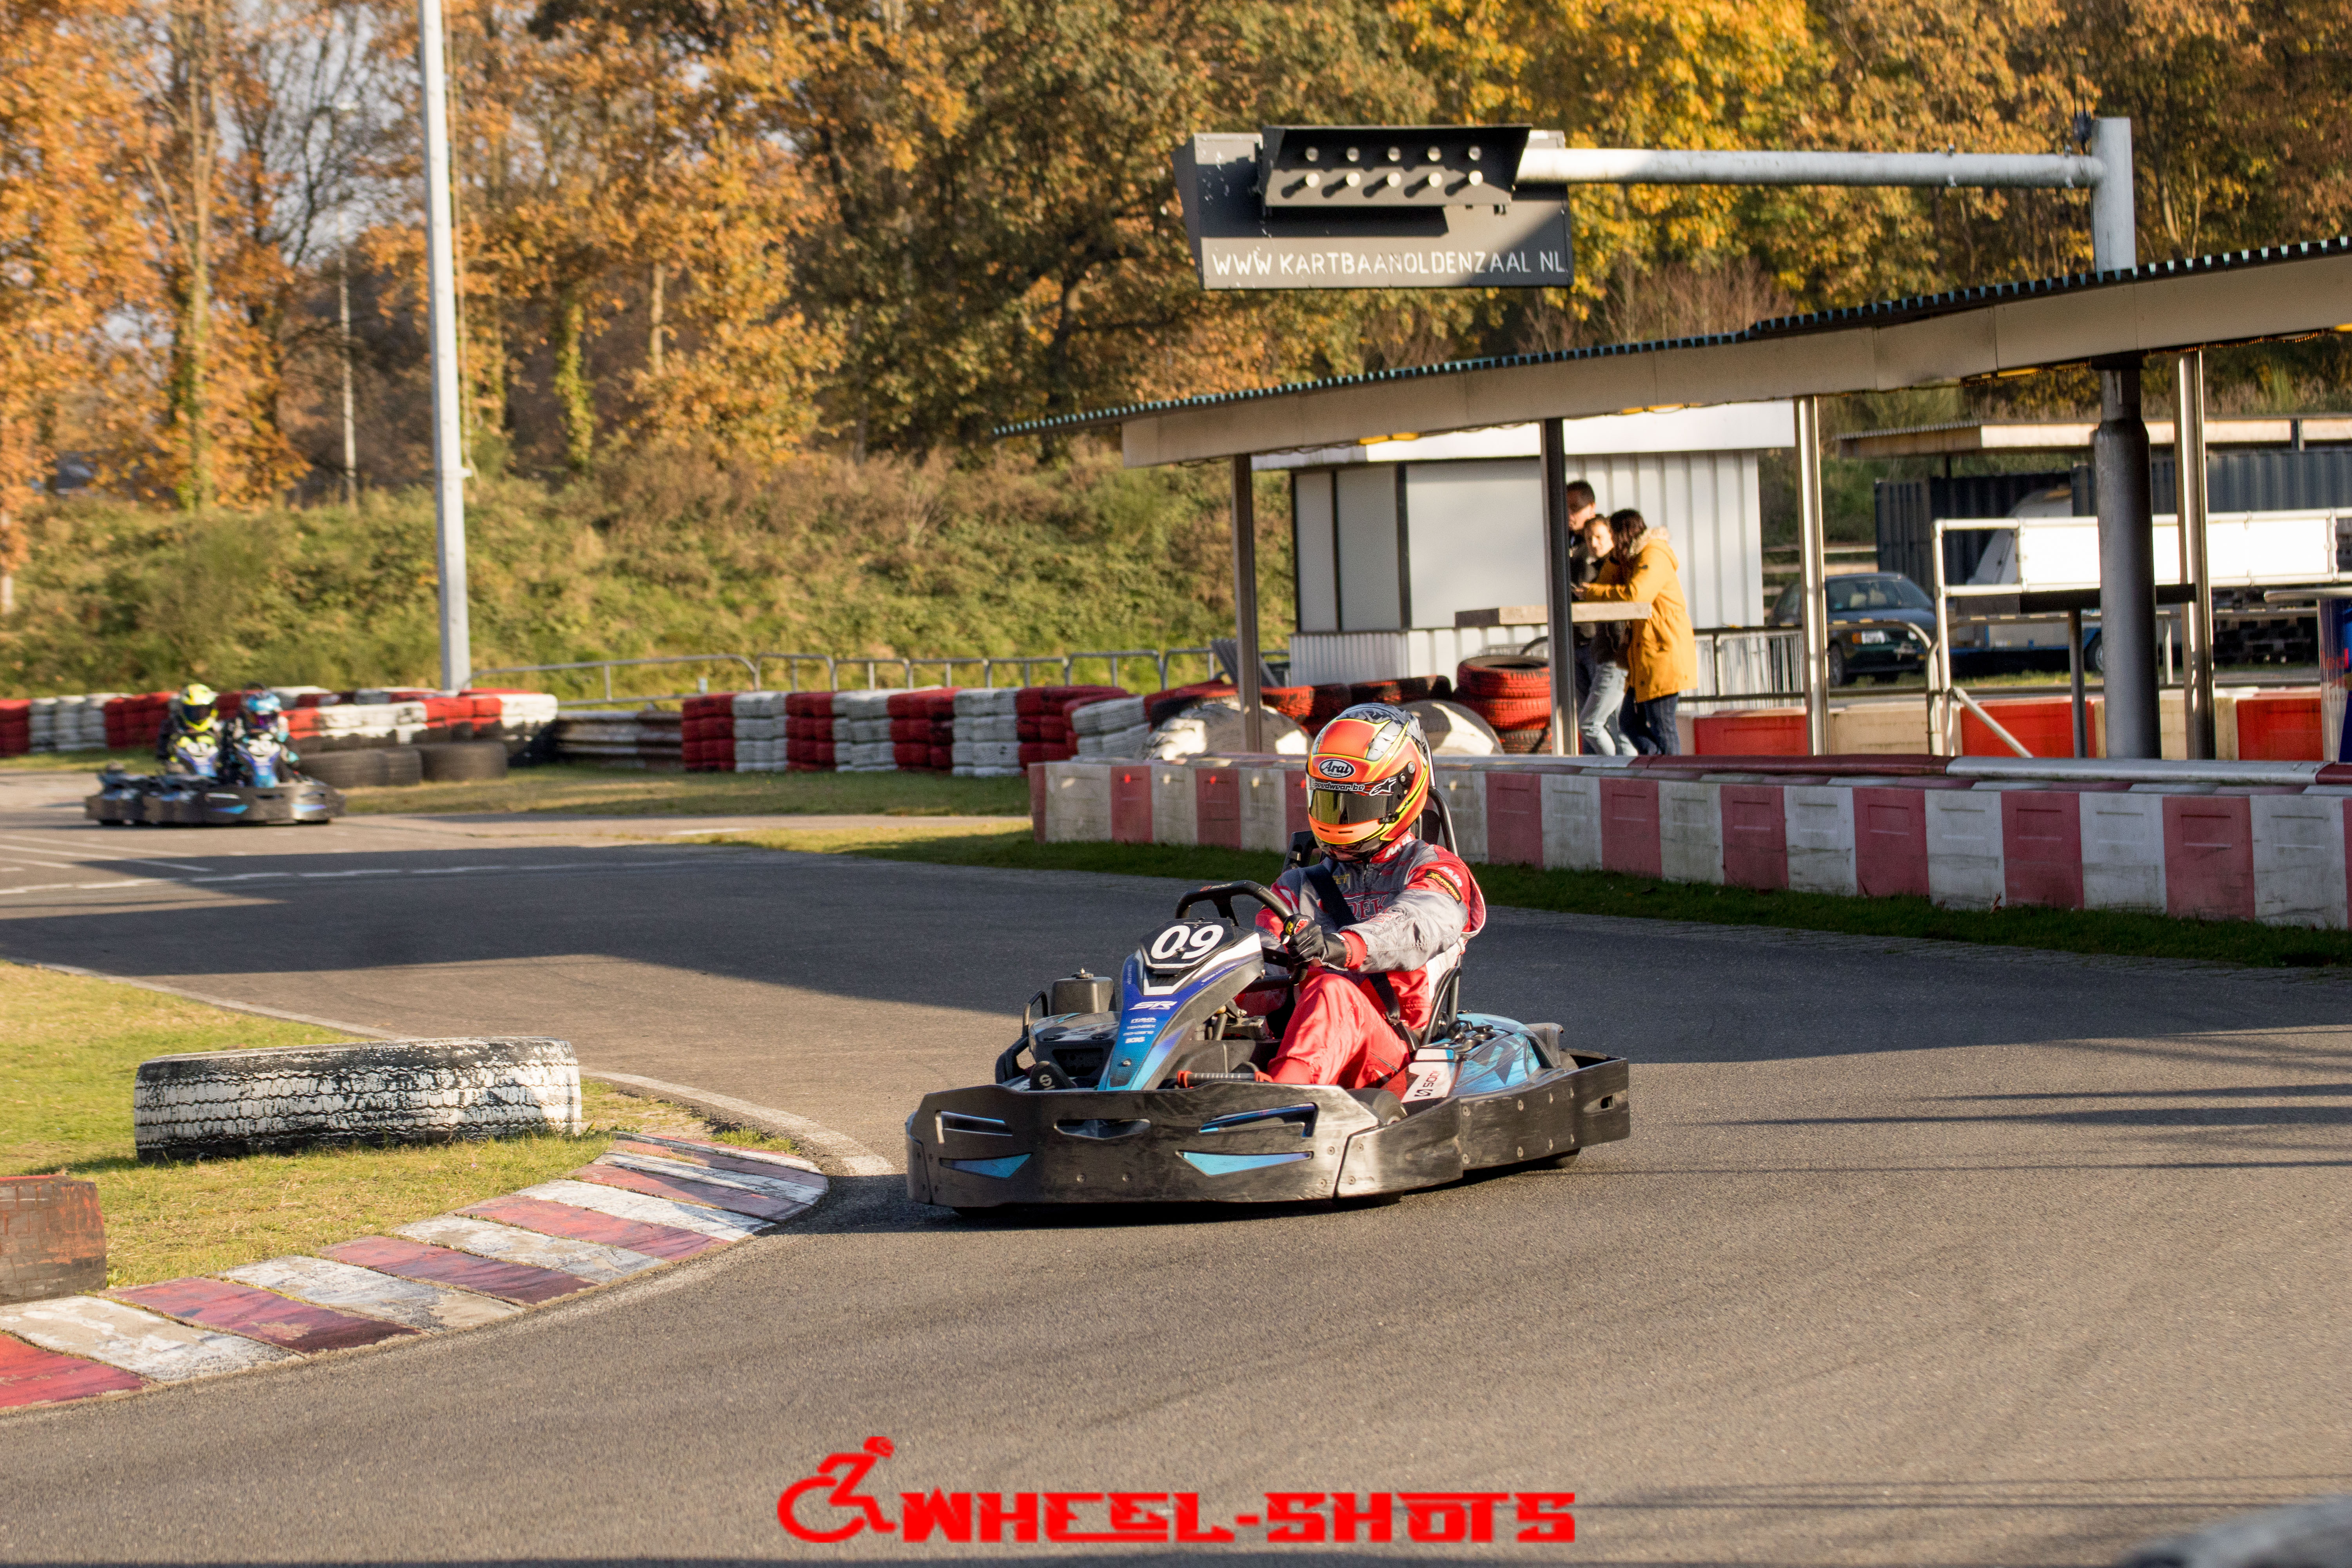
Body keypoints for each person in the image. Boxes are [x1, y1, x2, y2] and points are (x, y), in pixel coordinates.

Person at [1253, 704, 1487, 1091]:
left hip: (1398, 1055)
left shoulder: (1436, 869)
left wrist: (1342, 946)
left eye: (1356, 805)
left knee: (1333, 991)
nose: (1341, 819)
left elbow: (1419, 925)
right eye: (1331, 803)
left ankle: (1280, 1100)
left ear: (1400, 795)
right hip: (1313, 1042)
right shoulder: (1295, 887)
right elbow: (1266, 977)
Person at [1579, 509, 1695, 756]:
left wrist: (1592, 593)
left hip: (1662, 652)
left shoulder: (1653, 554)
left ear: (1623, 535)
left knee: (1663, 725)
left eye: (1612, 535)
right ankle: (1658, 765)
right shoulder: (1630, 560)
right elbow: (1604, 585)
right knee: (1629, 723)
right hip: (1643, 656)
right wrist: (1614, 561)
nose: (1609, 543)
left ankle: (1672, 772)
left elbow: (1635, 595)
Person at [1574, 515, 1632, 754]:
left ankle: (1619, 769)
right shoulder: (1595, 568)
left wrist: (1593, 594)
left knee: (1593, 725)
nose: (1594, 543)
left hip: (1615, 655)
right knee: (1612, 727)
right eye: (1589, 539)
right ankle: (1620, 768)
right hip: (1602, 652)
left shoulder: (1617, 568)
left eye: (1599, 537)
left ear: (1612, 537)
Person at [154, 682, 221, 771]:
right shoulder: (174, 730)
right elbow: (163, 755)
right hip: (185, 775)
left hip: (216, 773)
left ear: (211, 710)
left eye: (202, 711)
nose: (197, 714)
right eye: (192, 711)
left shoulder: (219, 731)